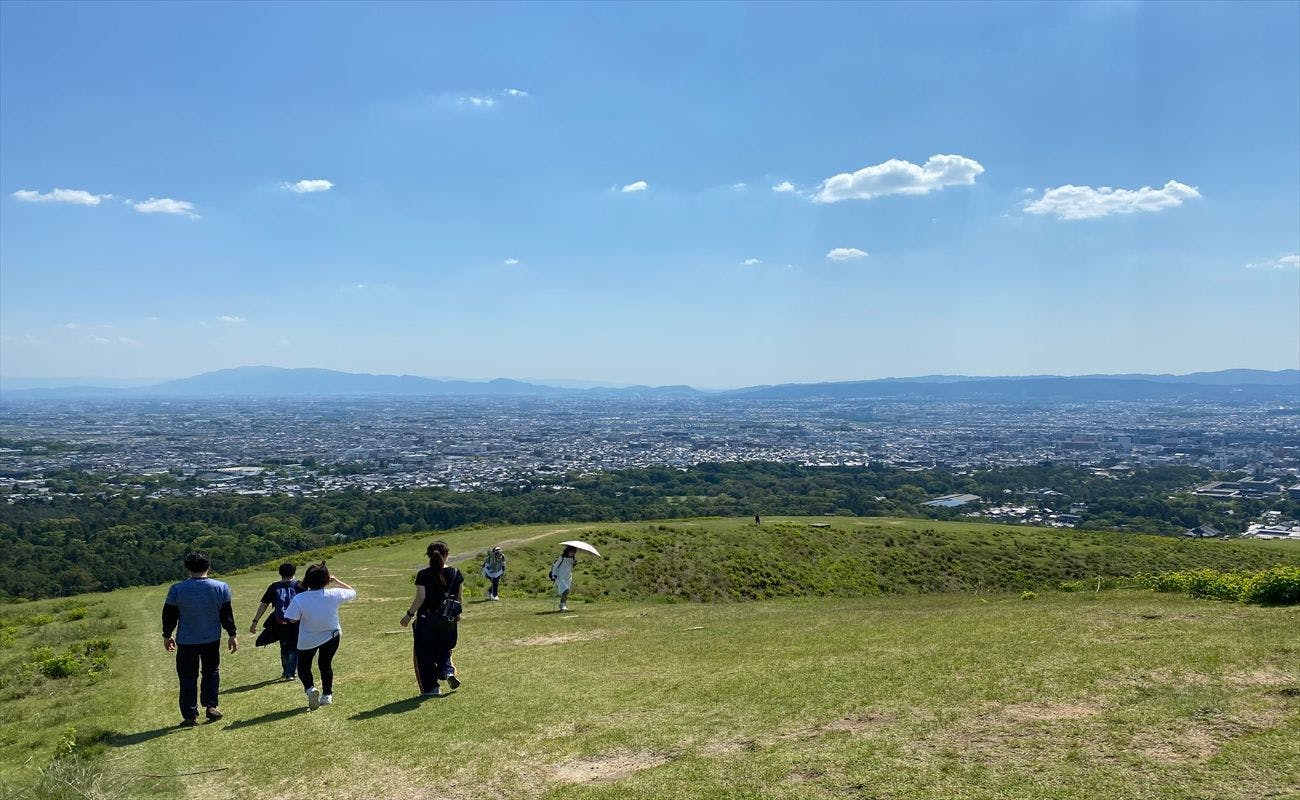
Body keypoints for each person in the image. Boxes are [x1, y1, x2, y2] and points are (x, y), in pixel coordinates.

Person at [162, 552, 238, 727]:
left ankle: (190, 715)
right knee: (211, 672)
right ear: (208, 566)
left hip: (186, 640)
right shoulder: (221, 587)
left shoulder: (176, 589)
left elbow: (169, 615)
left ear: (187, 569)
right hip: (211, 638)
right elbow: (226, 615)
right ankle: (211, 706)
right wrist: (232, 634)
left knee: (187, 677)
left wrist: (167, 635)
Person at [283, 563, 356, 710]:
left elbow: (291, 619)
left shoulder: (300, 598)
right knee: (325, 664)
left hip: (308, 638)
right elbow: (352, 592)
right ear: (326, 579)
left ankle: (310, 689)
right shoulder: (334, 594)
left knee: (303, 666)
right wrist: (336, 581)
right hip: (332, 635)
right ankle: (327, 695)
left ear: (307, 579)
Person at [401, 540, 463, 696]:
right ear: (447, 554)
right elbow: (459, 598)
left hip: (426, 619)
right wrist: (458, 615)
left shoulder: (423, 575)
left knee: (424, 653)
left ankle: (431, 688)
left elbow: (420, 598)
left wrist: (408, 615)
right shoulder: (456, 573)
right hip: (448, 619)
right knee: (444, 649)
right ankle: (448, 672)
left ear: (428, 556)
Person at [248, 562, 301, 681]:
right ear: (294, 572)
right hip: (296, 621)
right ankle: (290, 673)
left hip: (279, 621)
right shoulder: (299, 585)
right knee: (294, 647)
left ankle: (286, 671)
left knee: (284, 646)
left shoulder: (274, 586)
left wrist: (255, 621)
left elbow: (264, 604)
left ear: (280, 573)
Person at [549, 546, 578, 612]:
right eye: (571, 551)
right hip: (560, 577)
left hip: (568, 577)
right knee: (566, 590)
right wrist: (554, 575)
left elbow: (570, 567)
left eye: (574, 552)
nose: (572, 553)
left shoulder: (572, 558)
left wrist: (574, 564)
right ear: (567, 550)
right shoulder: (561, 558)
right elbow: (555, 566)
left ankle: (563, 605)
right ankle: (562, 605)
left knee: (566, 593)